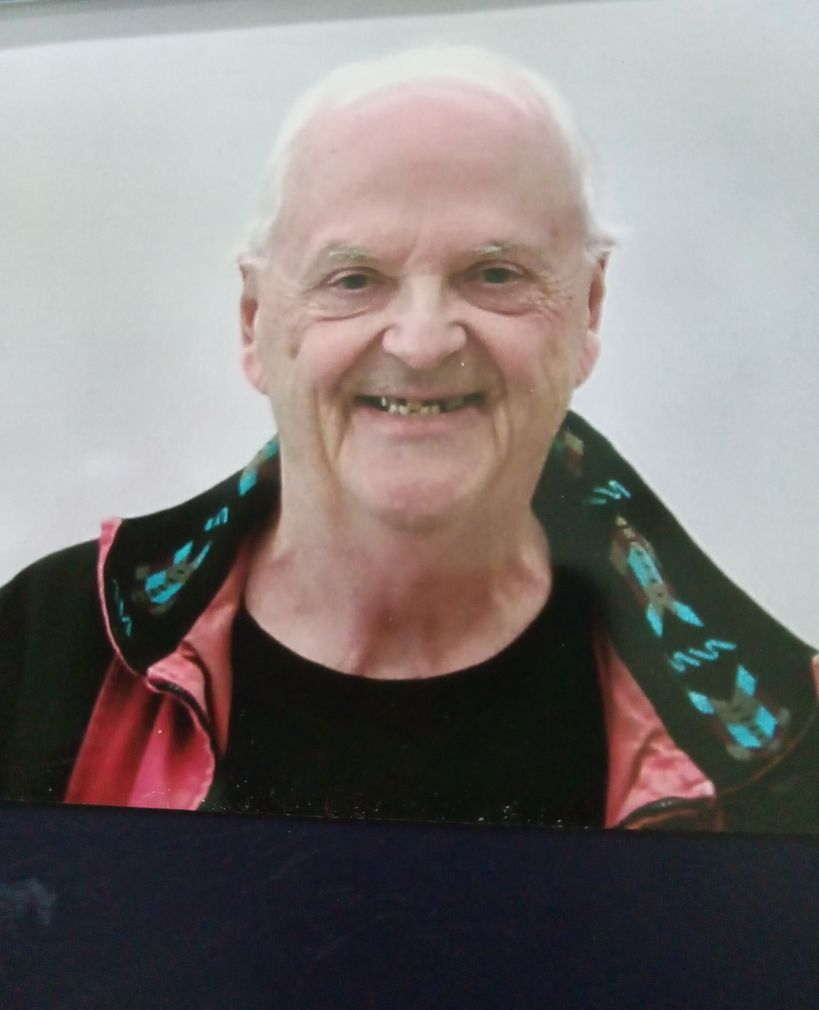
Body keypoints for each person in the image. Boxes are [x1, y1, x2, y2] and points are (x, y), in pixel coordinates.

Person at [0, 47, 816, 832]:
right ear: (253, 322)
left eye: (494, 274)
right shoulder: (50, 653)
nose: (422, 342)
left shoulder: (783, 751)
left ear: (588, 310)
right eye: (353, 279)